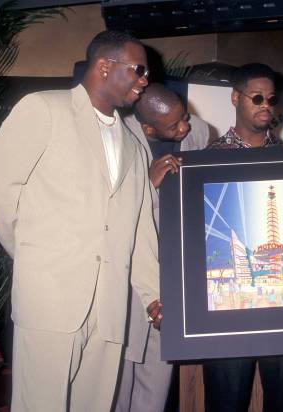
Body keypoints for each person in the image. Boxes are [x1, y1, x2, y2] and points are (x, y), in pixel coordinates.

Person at [0, 30, 161, 411]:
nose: (145, 81)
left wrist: (153, 293)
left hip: (110, 309)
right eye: (139, 70)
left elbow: (140, 228)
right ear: (104, 67)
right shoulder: (44, 108)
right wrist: (31, 250)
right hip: (51, 299)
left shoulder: (135, 145)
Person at [203, 63, 283, 412]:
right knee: (225, 401)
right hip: (226, 317)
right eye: (257, 97)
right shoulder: (203, 161)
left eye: (272, 99)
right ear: (235, 98)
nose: (266, 105)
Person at [116, 83, 212, 412]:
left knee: (157, 384)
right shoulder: (120, 136)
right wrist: (149, 184)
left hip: (175, 276)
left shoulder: (199, 131)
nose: (184, 128)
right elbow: (109, 210)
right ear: (147, 127)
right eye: (174, 126)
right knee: (120, 386)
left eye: (184, 117)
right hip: (130, 281)